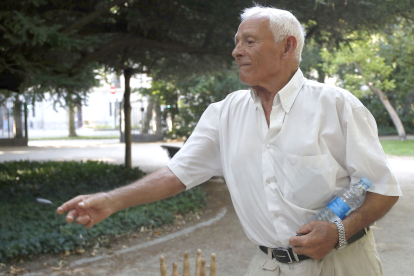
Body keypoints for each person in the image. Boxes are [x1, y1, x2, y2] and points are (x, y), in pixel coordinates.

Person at [57, 6, 402, 276]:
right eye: (237, 43)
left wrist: (339, 232)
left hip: (344, 264)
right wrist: (110, 201)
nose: (236, 52)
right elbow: (177, 174)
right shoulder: (223, 113)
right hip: (268, 266)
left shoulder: (337, 106)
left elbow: (382, 188)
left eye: (249, 42)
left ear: (287, 46)